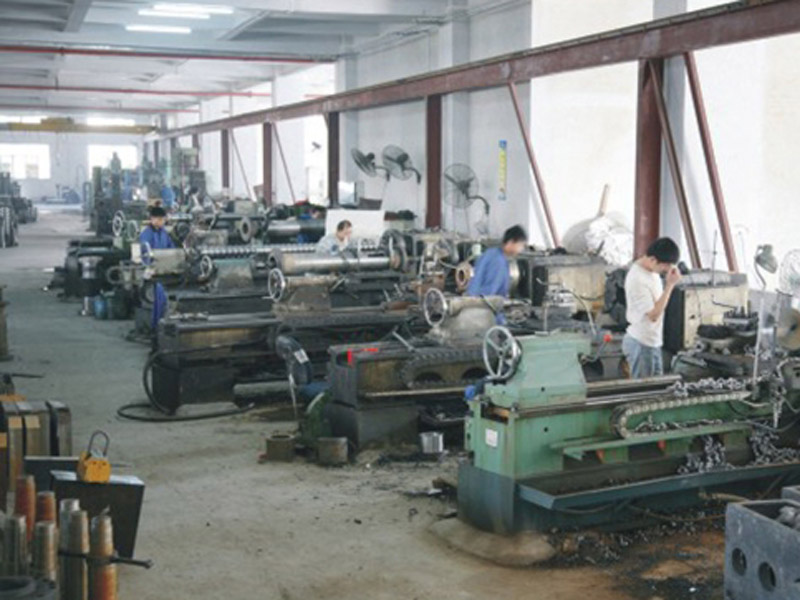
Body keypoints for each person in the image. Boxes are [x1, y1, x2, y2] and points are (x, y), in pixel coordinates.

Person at [622, 237, 682, 379]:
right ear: (653, 259)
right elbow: (653, 315)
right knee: (644, 390)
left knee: (657, 387)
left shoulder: (651, 271)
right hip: (641, 343)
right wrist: (670, 285)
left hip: (652, 341)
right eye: (665, 267)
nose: (666, 271)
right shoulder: (637, 279)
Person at [139, 205, 174, 332]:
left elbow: (171, 248)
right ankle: (156, 327)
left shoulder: (164, 233)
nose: (161, 222)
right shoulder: (146, 234)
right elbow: (145, 253)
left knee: (165, 298)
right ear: (152, 219)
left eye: (163, 219)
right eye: (159, 219)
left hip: (165, 268)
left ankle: (163, 323)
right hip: (154, 270)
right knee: (159, 298)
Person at [466, 225, 527, 298]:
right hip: (483, 303)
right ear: (511, 242)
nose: (521, 249)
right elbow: (489, 294)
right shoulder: (498, 261)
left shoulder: (491, 253)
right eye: (520, 245)